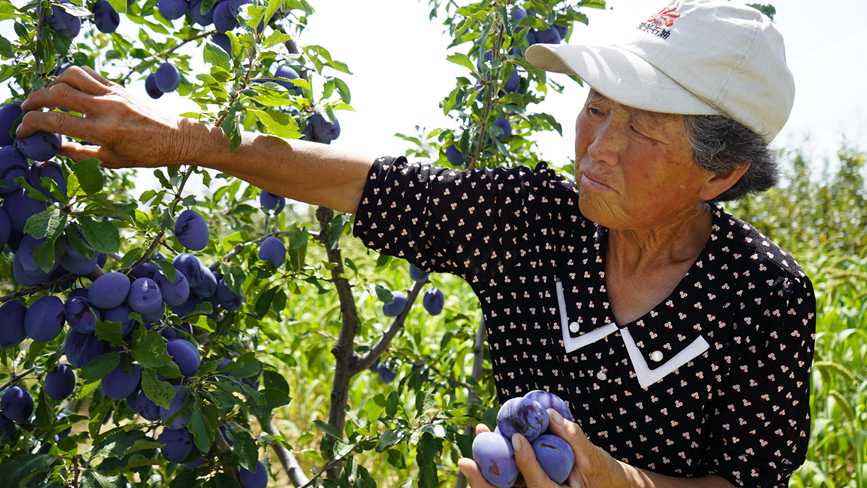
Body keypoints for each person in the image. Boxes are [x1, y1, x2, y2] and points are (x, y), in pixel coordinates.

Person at [15, 0, 816, 486]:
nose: (596, 146)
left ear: (721, 174)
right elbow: (357, 182)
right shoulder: (534, 219)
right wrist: (190, 139)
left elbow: (750, 478)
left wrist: (626, 486)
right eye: (596, 107)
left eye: (639, 128)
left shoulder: (762, 297)